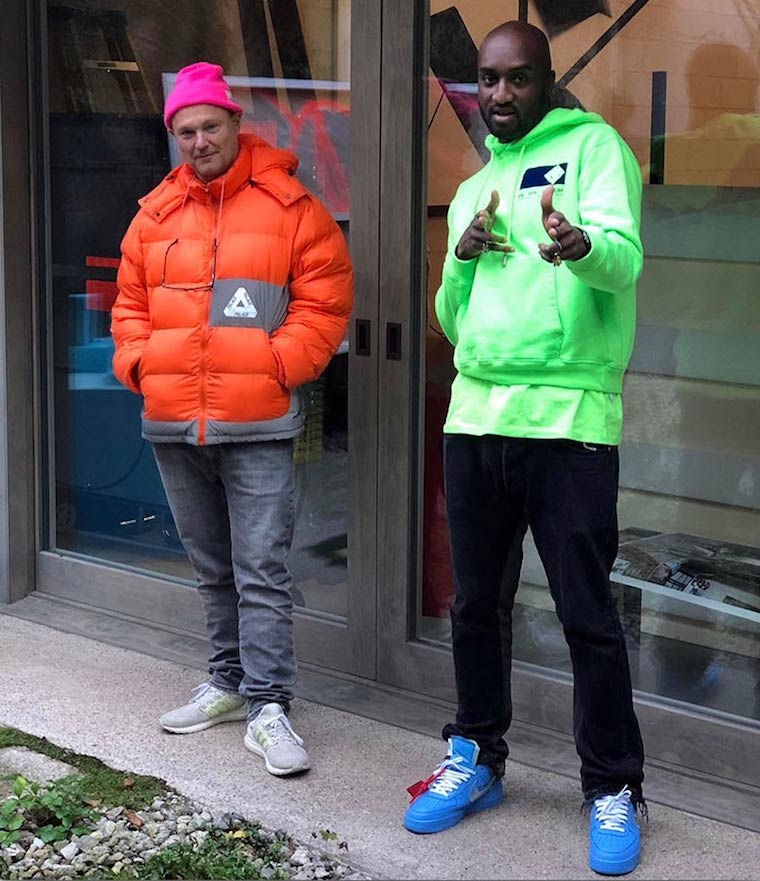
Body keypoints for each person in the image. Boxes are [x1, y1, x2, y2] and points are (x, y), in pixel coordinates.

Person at [403, 21, 646, 876]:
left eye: (516, 80)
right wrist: (462, 261)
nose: (499, 95)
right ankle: (475, 755)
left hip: (569, 424)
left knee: (587, 617)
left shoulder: (596, 151)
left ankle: (613, 785)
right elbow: (450, 320)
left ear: (547, 81)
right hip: (476, 424)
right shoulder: (474, 191)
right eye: (487, 81)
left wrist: (581, 247)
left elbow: (624, 262)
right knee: (476, 607)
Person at [111, 62, 352, 777]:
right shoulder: (153, 214)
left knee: (261, 570)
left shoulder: (288, 206)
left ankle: (270, 705)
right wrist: (140, 367)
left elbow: (326, 299)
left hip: (259, 424)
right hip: (175, 424)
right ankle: (225, 680)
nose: (197, 140)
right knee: (212, 566)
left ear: (234, 123)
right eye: (184, 131)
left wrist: (278, 365)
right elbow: (127, 306)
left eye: (208, 126)